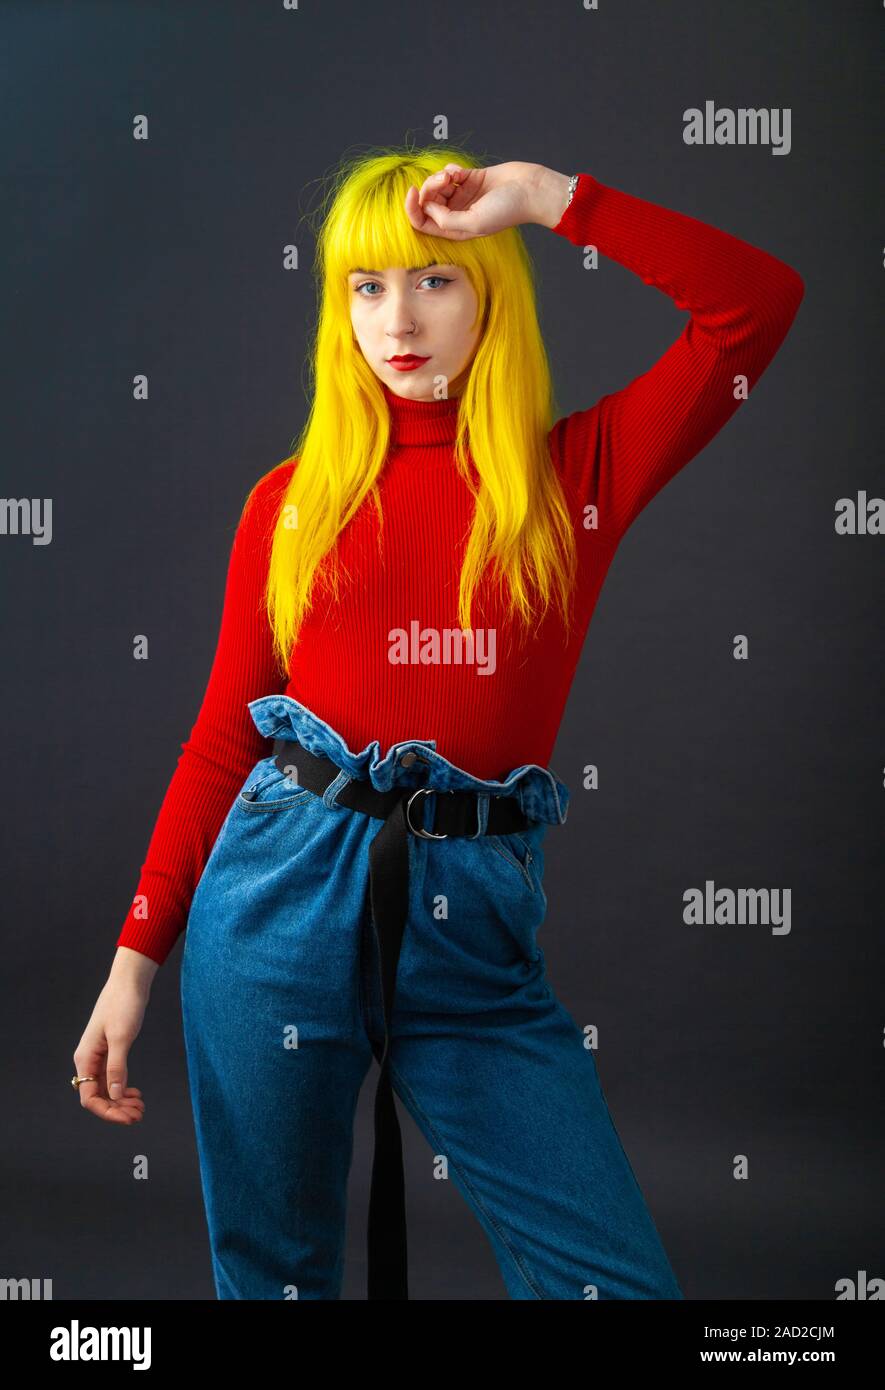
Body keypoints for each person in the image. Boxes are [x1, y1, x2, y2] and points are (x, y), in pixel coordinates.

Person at [73, 147, 804, 1300]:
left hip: (472, 930)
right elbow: (223, 739)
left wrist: (550, 200)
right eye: (367, 286)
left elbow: (757, 307)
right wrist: (132, 966)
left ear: (490, 296)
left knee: (612, 1283)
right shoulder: (290, 501)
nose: (397, 317)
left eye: (436, 279)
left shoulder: (575, 476)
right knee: (273, 1279)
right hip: (275, 902)